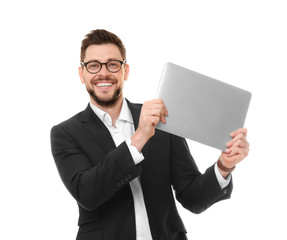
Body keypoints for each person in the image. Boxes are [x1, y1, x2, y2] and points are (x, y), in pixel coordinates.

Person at [50, 29, 249, 240]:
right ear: (82, 74)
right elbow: (87, 194)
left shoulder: (161, 120)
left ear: (125, 71)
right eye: (93, 65)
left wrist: (224, 166)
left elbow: (193, 198)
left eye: (112, 64)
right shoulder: (65, 133)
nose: (103, 72)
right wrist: (140, 137)